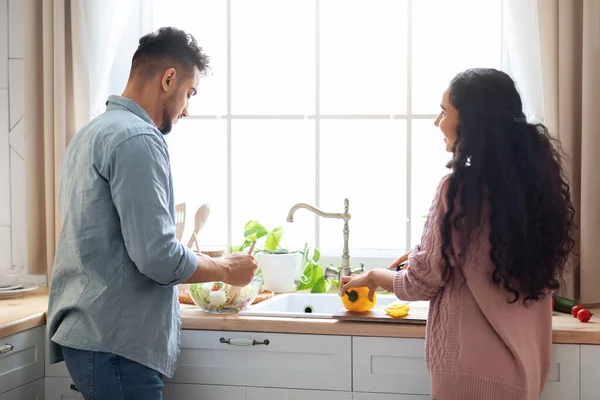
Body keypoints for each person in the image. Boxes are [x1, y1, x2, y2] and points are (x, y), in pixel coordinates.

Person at [46, 27, 257, 399]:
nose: (187, 109)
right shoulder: (138, 138)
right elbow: (158, 257)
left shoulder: (90, 133)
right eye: (189, 93)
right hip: (117, 346)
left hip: (90, 337)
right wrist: (225, 268)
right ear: (168, 79)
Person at [341, 68, 576, 400]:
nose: (438, 122)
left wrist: (375, 277)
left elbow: (420, 282)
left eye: (444, 112)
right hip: (525, 372)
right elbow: (477, 259)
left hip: (467, 376)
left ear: (471, 122)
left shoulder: (457, 189)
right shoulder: (534, 189)